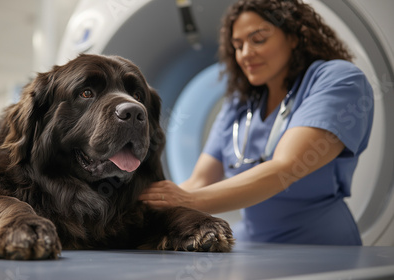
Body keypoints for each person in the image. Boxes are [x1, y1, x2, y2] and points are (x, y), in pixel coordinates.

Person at [139, 0, 374, 245]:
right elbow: (199, 180)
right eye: (238, 46)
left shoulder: (338, 80)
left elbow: (285, 167)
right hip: (252, 242)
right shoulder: (239, 104)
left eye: (258, 39)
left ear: (293, 37)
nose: (245, 54)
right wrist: (153, 205)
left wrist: (187, 201)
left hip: (322, 244)